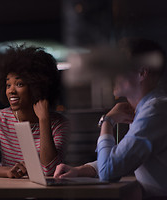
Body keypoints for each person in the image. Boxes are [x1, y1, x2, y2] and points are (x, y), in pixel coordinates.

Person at [54, 38, 167, 199]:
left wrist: (107, 121)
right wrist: (80, 170)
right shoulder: (151, 107)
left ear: (142, 72)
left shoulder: (154, 111)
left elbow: (109, 171)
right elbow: (122, 157)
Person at [0, 45, 70, 178]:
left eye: (19, 84)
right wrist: (8, 171)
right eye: (8, 85)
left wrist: (44, 120)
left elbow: (50, 170)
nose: (11, 90)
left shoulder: (59, 124)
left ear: (36, 87)